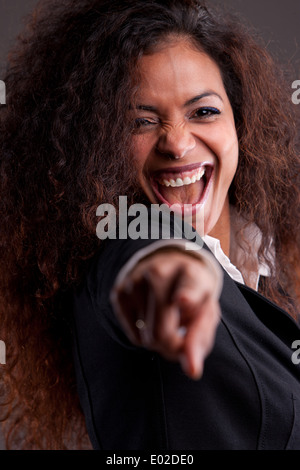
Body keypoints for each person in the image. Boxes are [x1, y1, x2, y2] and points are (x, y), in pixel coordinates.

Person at [0, 0, 299, 451]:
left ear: (241, 121)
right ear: (96, 145)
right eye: (141, 121)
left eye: (203, 112)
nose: (177, 144)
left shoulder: (264, 256)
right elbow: (143, 254)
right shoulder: (120, 245)